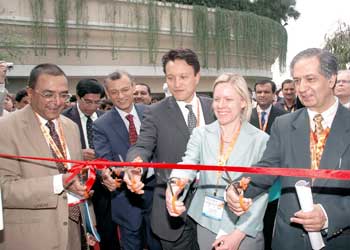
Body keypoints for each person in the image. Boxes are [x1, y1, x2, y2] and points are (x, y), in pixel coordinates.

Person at [227, 48, 350, 250]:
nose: (302, 88)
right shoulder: (283, 125)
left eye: (310, 79)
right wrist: (238, 188)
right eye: (297, 80)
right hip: (288, 240)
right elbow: (266, 169)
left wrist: (329, 215)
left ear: (331, 79)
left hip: (338, 240)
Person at [166, 73, 269, 250]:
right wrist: (174, 188)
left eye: (228, 99)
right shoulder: (201, 133)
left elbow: (262, 192)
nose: (220, 105)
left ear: (243, 102)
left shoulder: (261, 140)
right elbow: (187, 165)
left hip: (244, 226)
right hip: (206, 223)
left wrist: (238, 235)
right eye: (217, 99)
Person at [125, 48, 215, 250]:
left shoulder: (215, 108)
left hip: (213, 205)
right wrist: (135, 167)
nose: (177, 84)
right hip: (172, 207)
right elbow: (142, 146)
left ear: (197, 76)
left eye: (183, 77)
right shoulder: (155, 112)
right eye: (171, 77)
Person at [0, 63, 94, 249]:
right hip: (33, 238)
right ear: (30, 92)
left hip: (75, 232)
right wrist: (59, 182)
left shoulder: (70, 127)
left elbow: (77, 176)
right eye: (48, 94)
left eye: (63, 95)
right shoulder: (6, 128)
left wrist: (90, 223)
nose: (57, 101)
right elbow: (5, 190)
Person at [93, 70, 160, 250]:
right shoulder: (101, 124)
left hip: (157, 192)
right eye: (114, 92)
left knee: (158, 244)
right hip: (125, 196)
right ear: (107, 94)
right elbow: (103, 161)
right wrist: (105, 174)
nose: (121, 96)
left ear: (133, 87)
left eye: (124, 89)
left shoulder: (151, 113)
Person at [62, 78, 118, 250]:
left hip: (104, 182)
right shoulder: (63, 119)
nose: (92, 106)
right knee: (81, 230)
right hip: (76, 184)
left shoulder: (106, 118)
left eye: (97, 102)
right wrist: (79, 152)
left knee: (107, 228)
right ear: (77, 98)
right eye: (88, 101)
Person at [249, 79, 286, 250]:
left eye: (266, 92)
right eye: (259, 92)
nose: (262, 95)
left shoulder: (283, 116)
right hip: (250, 176)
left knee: (270, 220)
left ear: (274, 95)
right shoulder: (246, 115)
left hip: (275, 180)